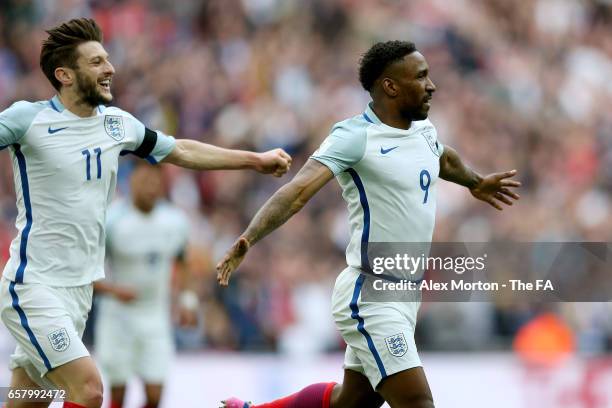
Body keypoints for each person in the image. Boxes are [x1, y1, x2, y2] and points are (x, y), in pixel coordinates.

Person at [0, 18, 291, 408]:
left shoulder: (118, 124)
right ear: (64, 75)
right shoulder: (28, 119)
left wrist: (254, 160)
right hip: (33, 285)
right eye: (97, 62)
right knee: (88, 390)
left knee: (27, 399)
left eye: (108, 59)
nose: (110, 69)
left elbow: (181, 150)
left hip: (79, 290)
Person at [216, 41, 520, 408]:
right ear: (390, 86)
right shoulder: (354, 136)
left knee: (352, 402)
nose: (432, 85)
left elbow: (442, 158)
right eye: (421, 76)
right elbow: (296, 193)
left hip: (405, 294)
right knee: (418, 403)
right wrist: (249, 236)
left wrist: (475, 181)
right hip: (372, 293)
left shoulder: (422, 130)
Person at [93, 162, 194, 408]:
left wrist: (187, 300)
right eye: (145, 180)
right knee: (118, 393)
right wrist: (114, 291)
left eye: (155, 182)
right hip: (117, 317)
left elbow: (182, 261)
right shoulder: (112, 220)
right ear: (131, 182)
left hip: (155, 315)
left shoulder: (175, 221)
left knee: (155, 394)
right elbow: (86, 272)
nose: (150, 187)